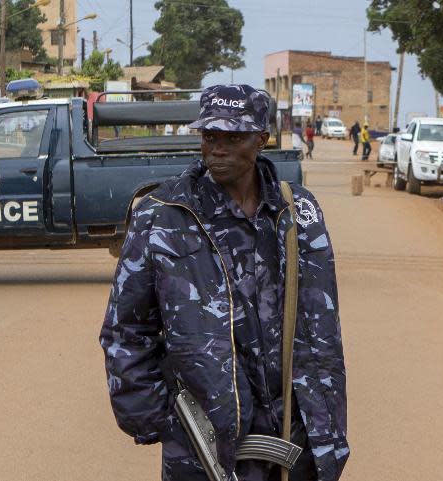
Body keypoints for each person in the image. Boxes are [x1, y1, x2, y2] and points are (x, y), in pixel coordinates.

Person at [100, 84, 348, 481]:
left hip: (295, 433)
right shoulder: (162, 216)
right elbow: (126, 330)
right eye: (210, 136)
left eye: (234, 137)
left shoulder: (297, 210)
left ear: (261, 139)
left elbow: (323, 324)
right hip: (206, 441)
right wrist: (160, 420)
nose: (218, 148)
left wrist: (328, 425)